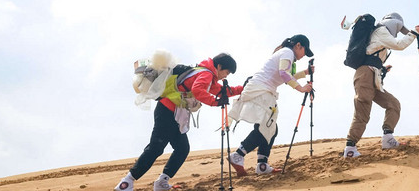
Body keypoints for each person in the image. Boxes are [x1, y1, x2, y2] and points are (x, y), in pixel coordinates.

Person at [115, 53, 243, 191]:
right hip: (168, 111)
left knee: (182, 148)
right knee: (156, 147)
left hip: (174, 114)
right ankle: (126, 183)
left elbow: (223, 91)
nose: (226, 76)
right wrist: (215, 102)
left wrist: (244, 88)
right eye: (227, 72)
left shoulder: (204, 74)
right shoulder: (205, 74)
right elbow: (198, 90)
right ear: (219, 66)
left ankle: (161, 182)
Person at [227, 34, 314, 175]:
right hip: (262, 91)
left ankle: (262, 165)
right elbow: (283, 73)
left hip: (261, 89)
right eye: (305, 51)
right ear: (298, 45)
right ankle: (238, 155)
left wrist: (305, 73)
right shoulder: (287, 52)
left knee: (270, 127)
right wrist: (301, 88)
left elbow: (284, 77)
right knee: (267, 127)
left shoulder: (285, 53)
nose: (304, 55)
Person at [344, 12, 419, 158]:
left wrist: (383, 69)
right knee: (363, 112)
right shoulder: (381, 31)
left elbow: (372, 55)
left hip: (373, 77)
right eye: (398, 29)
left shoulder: (379, 34)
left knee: (393, 104)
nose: (398, 32)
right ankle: (350, 148)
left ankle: (388, 139)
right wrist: (413, 34)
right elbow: (400, 45)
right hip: (365, 76)